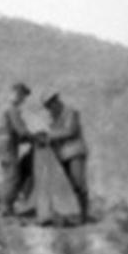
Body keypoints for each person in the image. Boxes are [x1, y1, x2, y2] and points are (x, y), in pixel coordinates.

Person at [39, 90, 90, 224]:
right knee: (66, 186)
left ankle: (83, 216)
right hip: (61, 155)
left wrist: (49, 136)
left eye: (51, 104)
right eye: (48, 106)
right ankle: (70, 216)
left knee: (78, 184)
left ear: (56, 100)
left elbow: (70, 131)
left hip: (75, 152)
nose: (50, 108)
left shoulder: (71, 112)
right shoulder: (52, 118)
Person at [0, 82, 34, 216]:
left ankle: (6, 207)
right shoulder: (12, 109)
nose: (23, 100)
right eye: (22, 96)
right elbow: (21, 131)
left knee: (10, 175)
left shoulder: (8, 109)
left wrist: (27, 138)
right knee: (12, 177)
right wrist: (34, 138)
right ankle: (5, 209)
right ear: (17, 94)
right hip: (8, 146)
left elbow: (18, 134)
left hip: (6, 146)